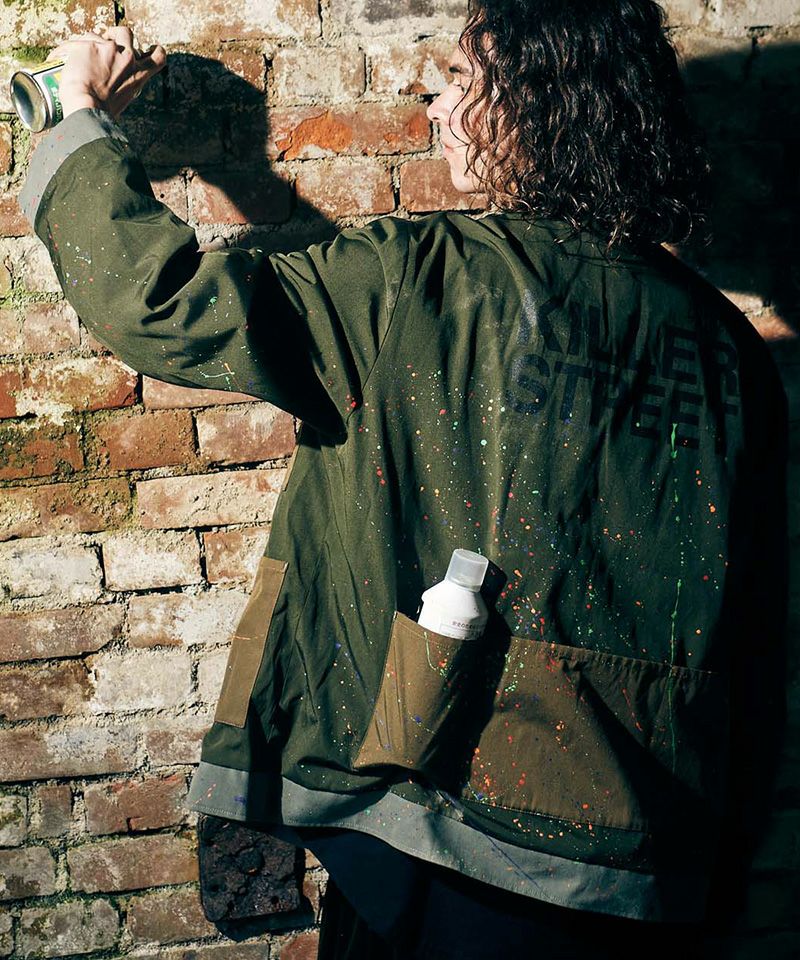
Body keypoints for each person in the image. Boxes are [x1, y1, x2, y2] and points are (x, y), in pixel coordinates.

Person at [21, 1, 788, 957]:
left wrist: (78, 114)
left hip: (443, 839)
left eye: (463, 78)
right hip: (649, 865)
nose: (435, 106)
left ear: (547, 104)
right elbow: (758, 643)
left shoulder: (423, 276)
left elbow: (166, 301)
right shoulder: (725, 347)